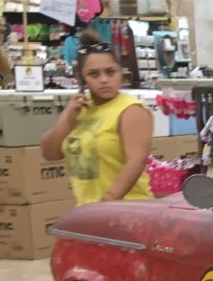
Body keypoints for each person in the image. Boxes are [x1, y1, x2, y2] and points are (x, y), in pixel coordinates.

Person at [40, 44, 153, 204]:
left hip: (127, 210)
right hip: (87, 211)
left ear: (120, 72)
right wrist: (67, 118)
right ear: (82, 78)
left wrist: (107, 202)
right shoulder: (81, 108)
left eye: (110, 72)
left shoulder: (131, 110)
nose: (104, 80)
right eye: (93, 74)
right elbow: (50, 154)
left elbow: (137, 160)